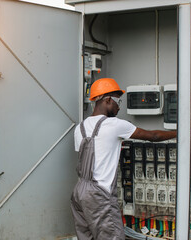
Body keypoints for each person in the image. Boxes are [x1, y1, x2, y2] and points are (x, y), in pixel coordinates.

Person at [70, 78, 177, 240]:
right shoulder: (114, 125)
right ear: (107, 100)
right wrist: (180, 131)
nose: (119, 106)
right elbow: (153, 136)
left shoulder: (80, 127)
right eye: (118, 101)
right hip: (100, 195)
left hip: (79, 192)